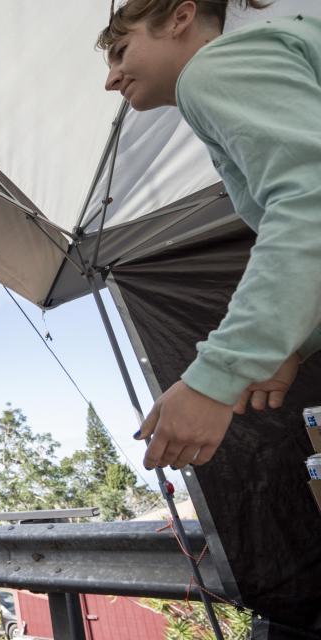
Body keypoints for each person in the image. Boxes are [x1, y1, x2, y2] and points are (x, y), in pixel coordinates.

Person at [98, 0, 321, 470]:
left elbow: (309, 205)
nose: (111, 79)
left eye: (121, 50)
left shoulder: (211, 69)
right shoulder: (272, 50)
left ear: (181, 17)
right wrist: (293, 341)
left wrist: (216, 375)